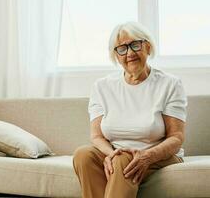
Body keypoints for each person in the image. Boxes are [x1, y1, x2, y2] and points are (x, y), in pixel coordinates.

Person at [73, 21, 187, 198]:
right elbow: (96, 136)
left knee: (123, 160)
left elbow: (176, 138)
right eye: (122, 48)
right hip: (117, 154)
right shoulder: (102, 87)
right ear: (116, 56)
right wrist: (111, 154)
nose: (130, 53)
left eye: (135, 44)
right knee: (84, 155)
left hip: (157, 156)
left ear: (148, 47)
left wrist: (146, 156)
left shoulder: (170, 84)